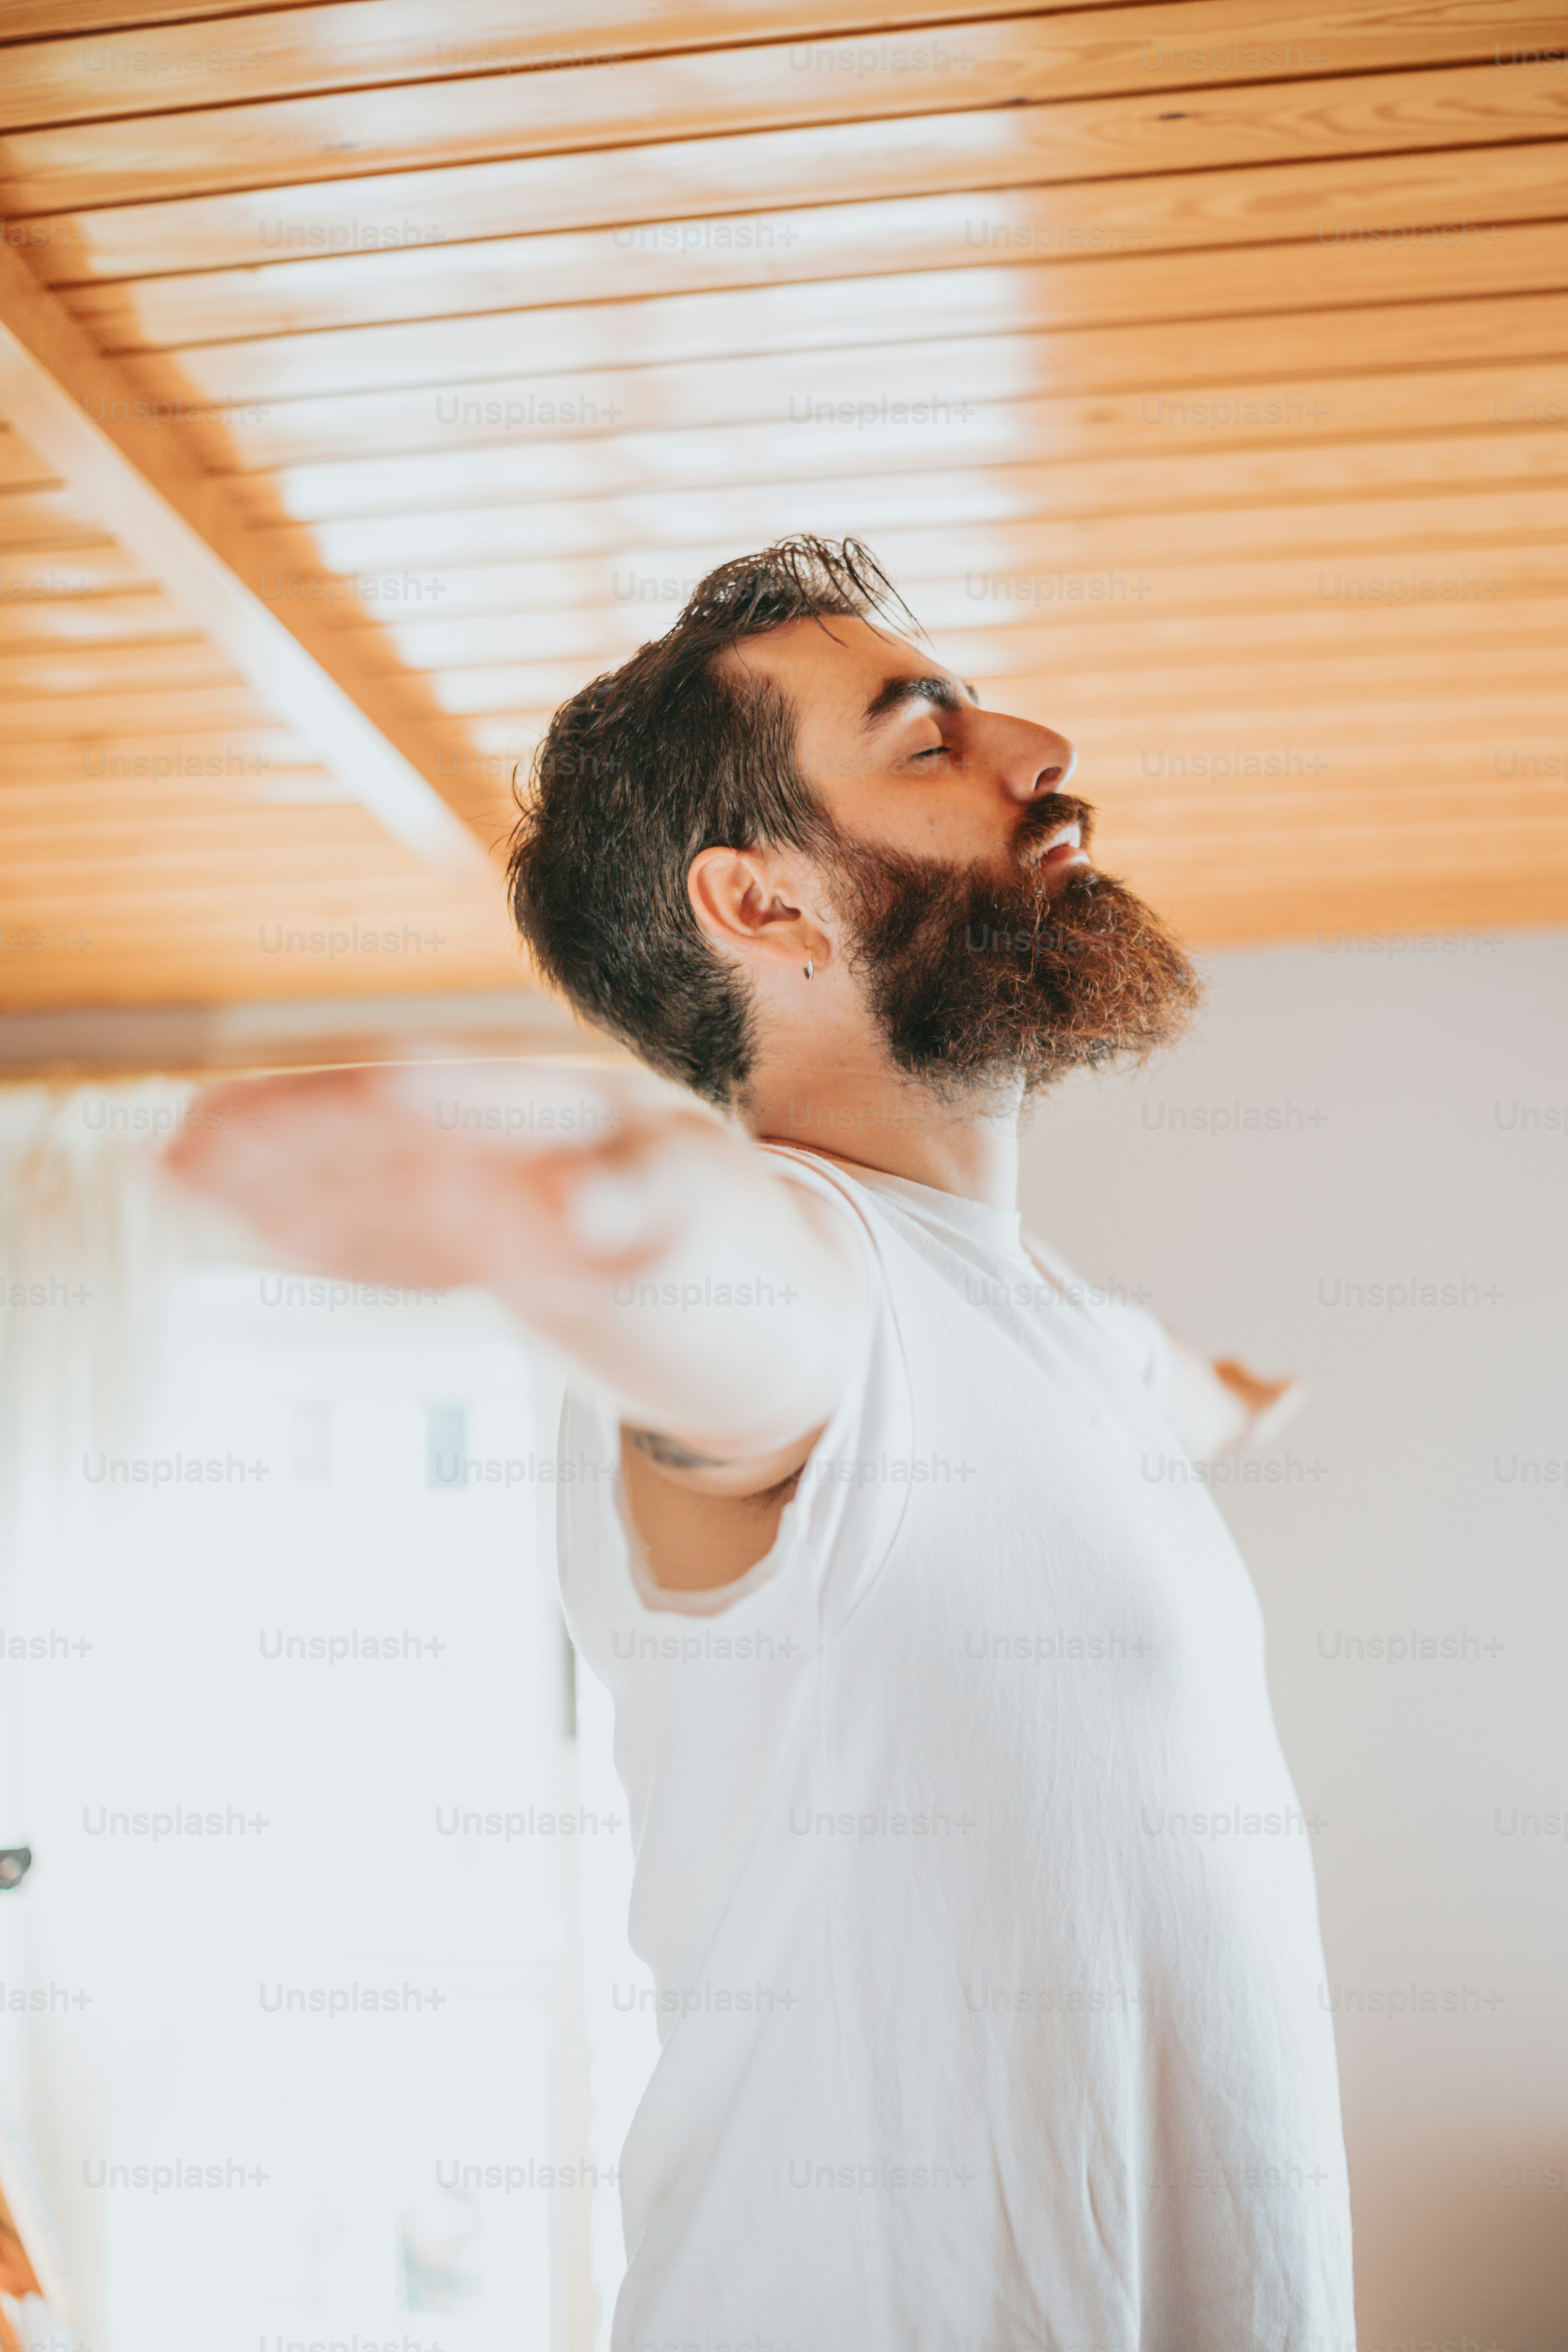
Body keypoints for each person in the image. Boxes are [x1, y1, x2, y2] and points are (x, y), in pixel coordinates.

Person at [171, 539, 1353, 2348]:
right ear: (768, 907)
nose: (1035, 744)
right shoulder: (827, 1293)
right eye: (925, 735)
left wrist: (1239, 1402)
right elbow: (715, 1283)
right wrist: (578, 1200)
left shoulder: (1057, 1332)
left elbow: (1164, 1385)